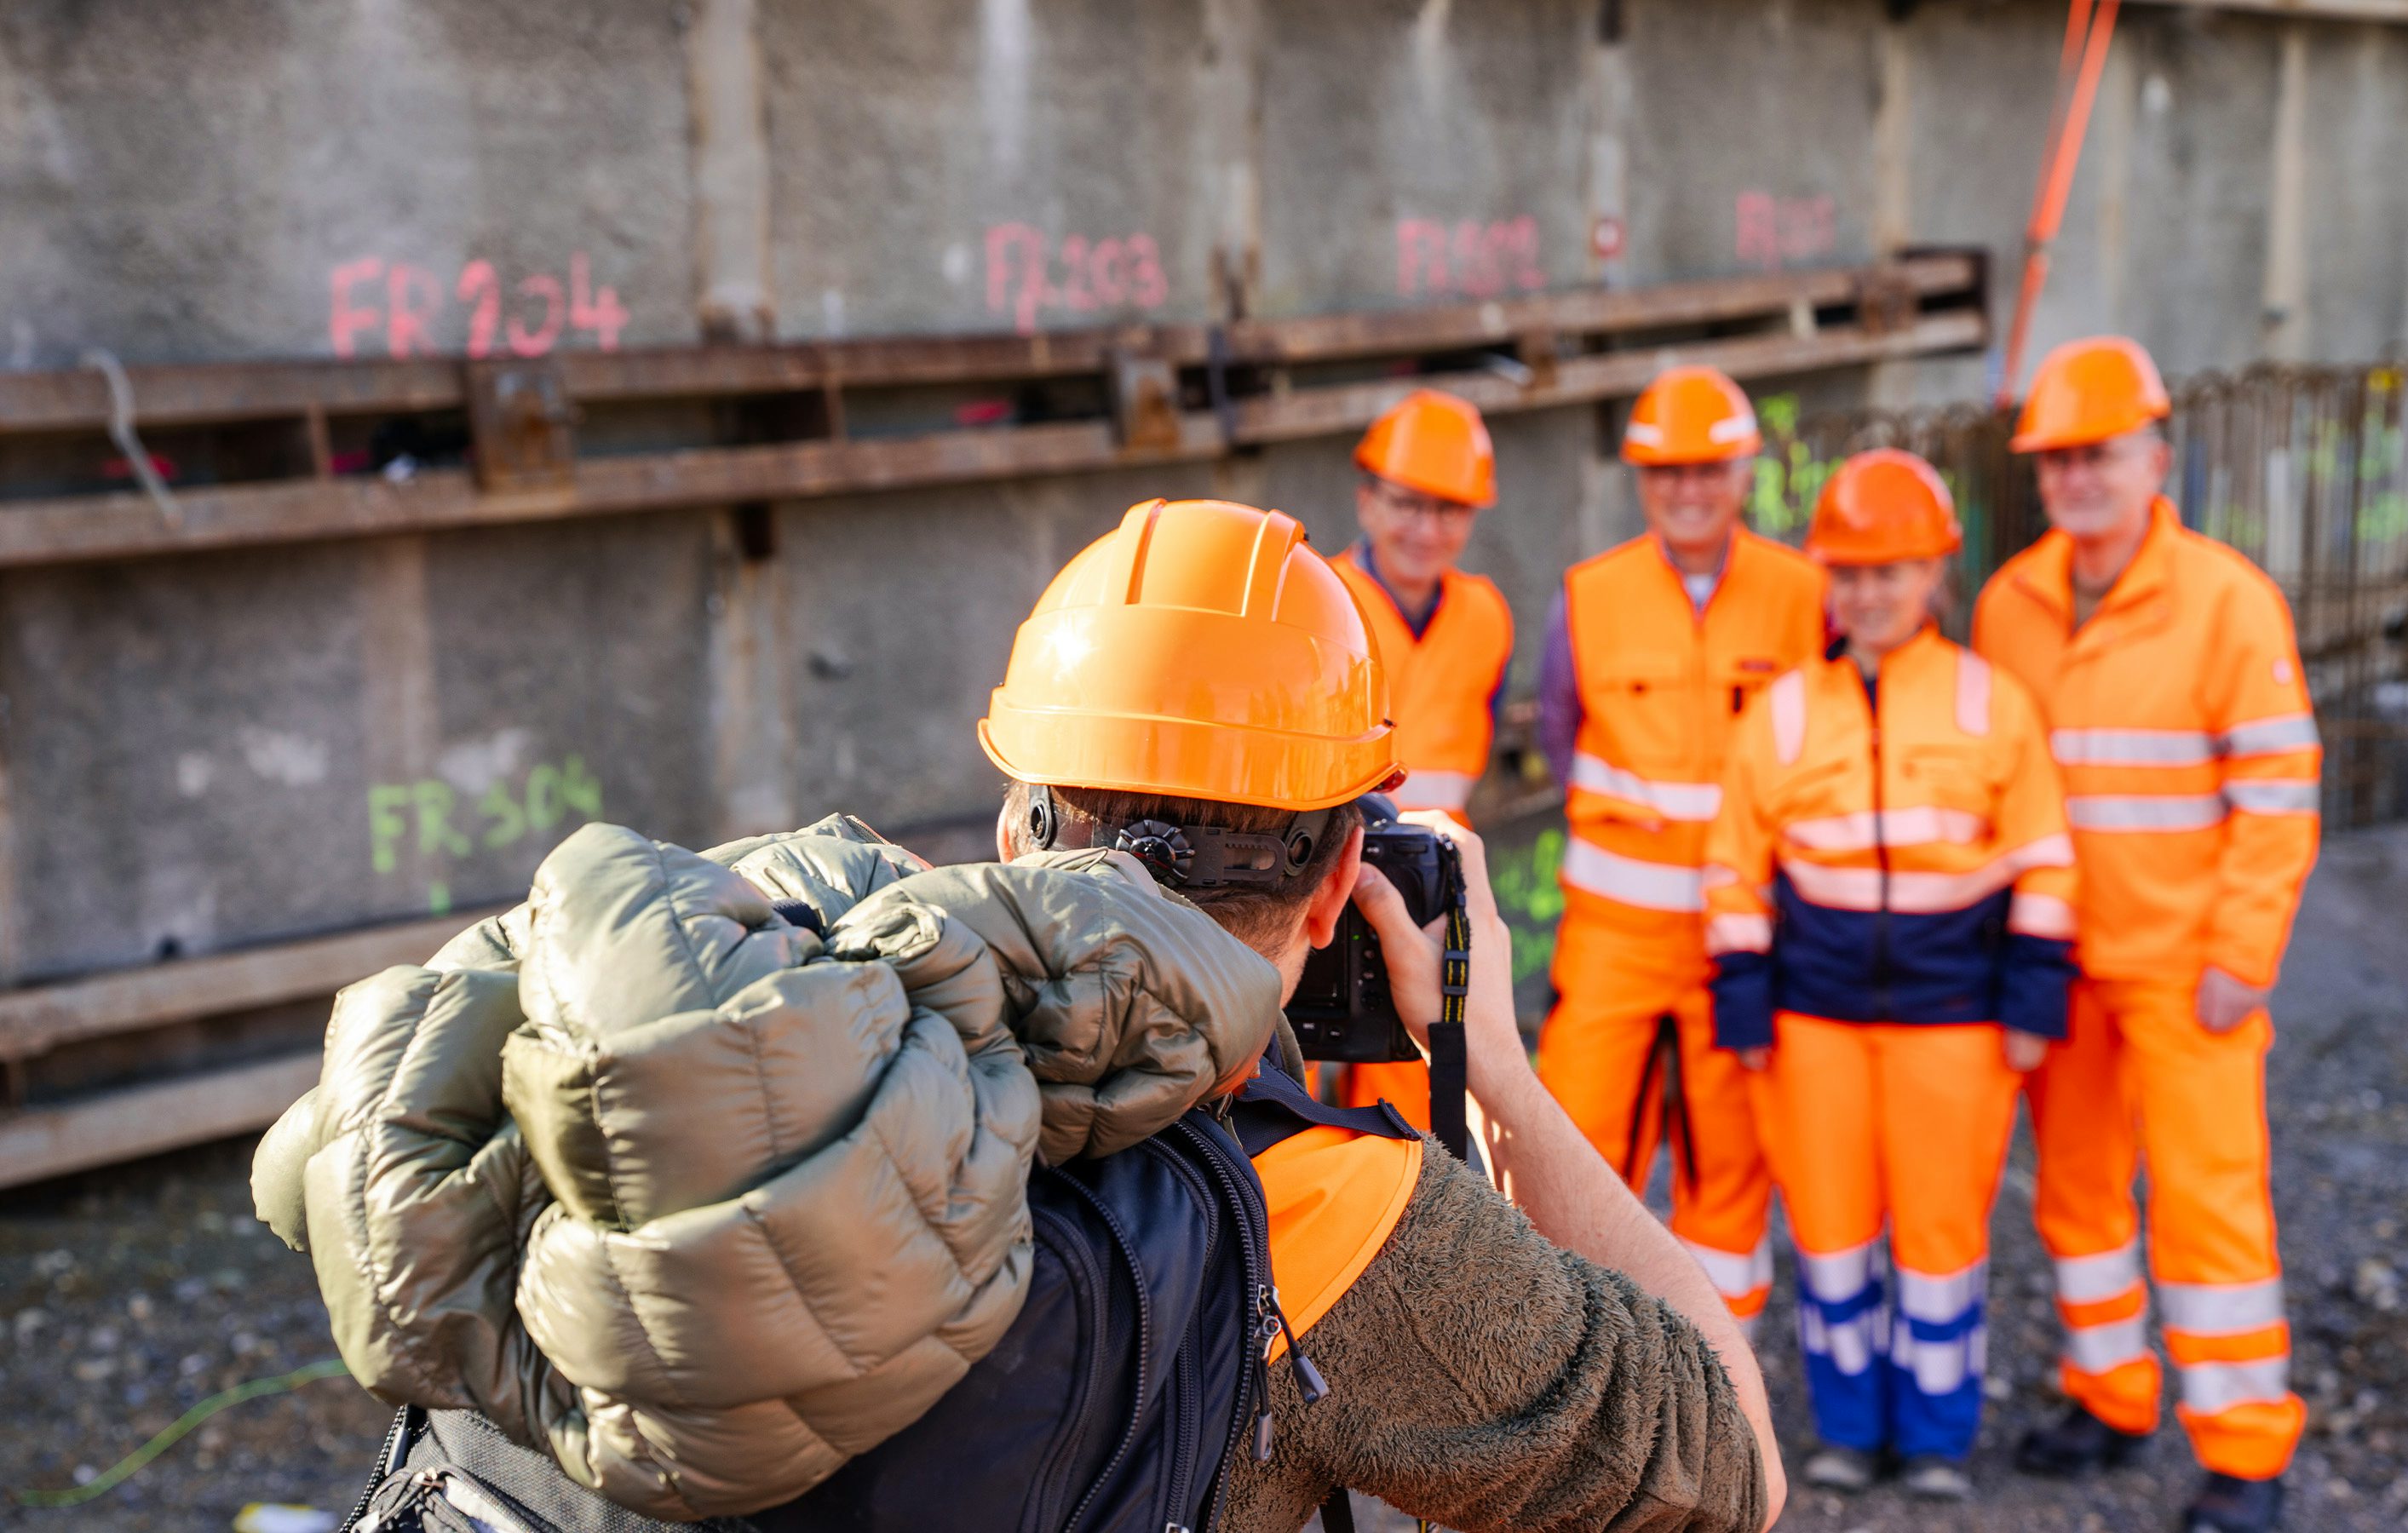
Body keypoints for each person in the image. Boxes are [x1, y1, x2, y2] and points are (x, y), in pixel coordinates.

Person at [265, 497, 1784, 1533]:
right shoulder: (1324, 1212)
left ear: (1016, 825)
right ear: (1339, 887)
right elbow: (1734, 1467)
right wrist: (1493, 1070)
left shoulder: (737, 1054)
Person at [1974, 337, 2322, 1533]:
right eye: (2057, 459)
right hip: (2062, 965)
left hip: (2186, 973)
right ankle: (2109, 1396)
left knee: (2208, 1202)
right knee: (2076, 1197)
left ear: (2155, 460)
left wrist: (2242, 956)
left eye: (2099, 455)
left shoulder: (2227, 602)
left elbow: (2278, 796)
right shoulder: (2009, 604)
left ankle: (2245, 1454)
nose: (2076, 477)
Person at [1704, 451, 2078, 1503]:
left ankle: (1934, 1440)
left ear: (1934, 575)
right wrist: (1746, 1009)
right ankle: (1847, 1433)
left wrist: (2029, 1004)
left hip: (1955, 1023)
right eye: (1851, 573)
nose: (1868, 593)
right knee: (1829, 1235)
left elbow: (2046, 859)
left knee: (1940, 1238)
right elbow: (1731, 870)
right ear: (1827, 578)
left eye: (1891, 572)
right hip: (1809, 1023)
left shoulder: (1990, 703)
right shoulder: (1782, 712)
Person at [1534, 365, 1827, 1321]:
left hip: (1738, 945)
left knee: (1729, 1175)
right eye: (1667, 472)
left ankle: (1721, 1372)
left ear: (1744, 472)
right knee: (1574, 1154)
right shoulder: (1587, 597)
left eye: (1708, 469)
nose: (1688, 490)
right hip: (1612, 944)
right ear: (1640, 480)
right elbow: (1562, 737)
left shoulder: (1804, 597)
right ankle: (1582, 1361)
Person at [1327, 388, 1515, 1130]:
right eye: (1407, 504)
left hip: (1432, 878)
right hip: (1323, 866)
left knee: (1418, 1081)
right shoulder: (1320, 598)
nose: (1426, 529)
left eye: (1448, 510)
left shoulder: (1486, 615)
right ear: (1367, 500)